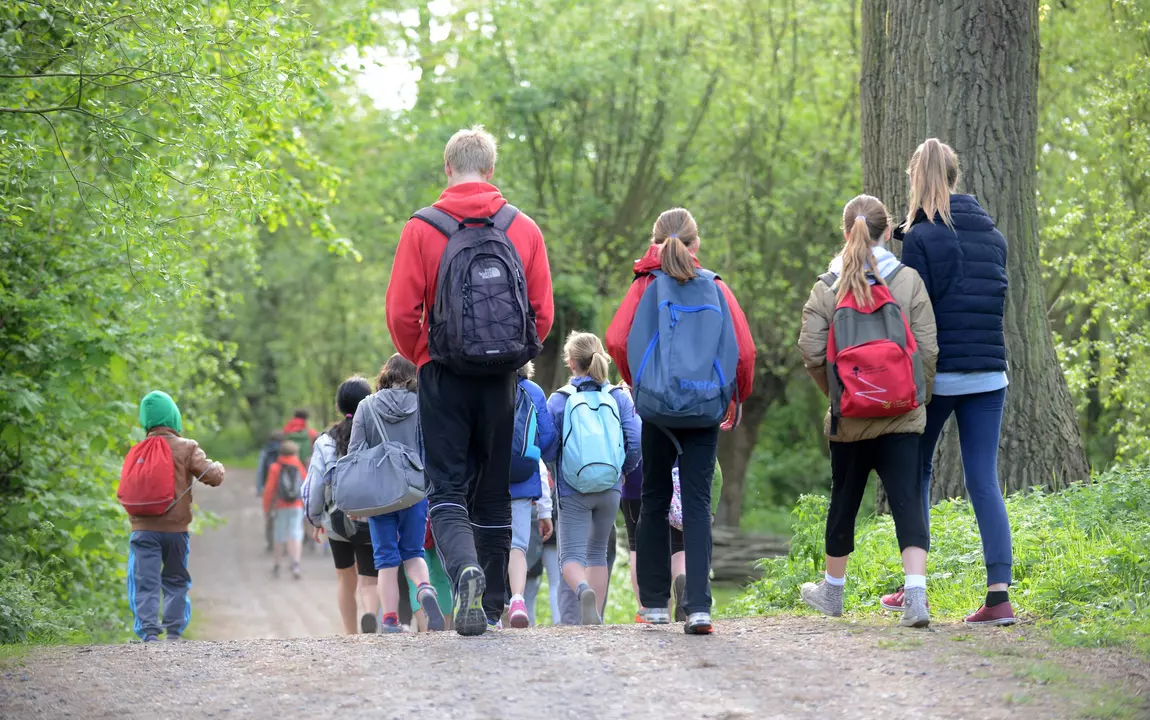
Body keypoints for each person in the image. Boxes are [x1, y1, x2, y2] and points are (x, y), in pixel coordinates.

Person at [385, 125, 554, 636]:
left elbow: (401, 311)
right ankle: (495, 604)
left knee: (447, 488)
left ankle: (464, 574)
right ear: (491, 169)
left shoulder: (422, 228)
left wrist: (423, 354)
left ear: (447, 168)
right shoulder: (522, 227)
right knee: (495, 491)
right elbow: (542, 313)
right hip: (502, 379)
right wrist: (512, 357)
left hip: (442, 374)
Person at [606, 207, 755, 635]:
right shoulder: (715, 286)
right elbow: (745, 351)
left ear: (654, 242)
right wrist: (735, 396)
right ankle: (699, 608)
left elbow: (616, 340)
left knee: (653, 496)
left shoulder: (645, 285)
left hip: (657, 409)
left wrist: (641, 382)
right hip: (705, 405)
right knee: (697, 503)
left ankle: (655, 604)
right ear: (696, 243)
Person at [797, 193, 938, 628]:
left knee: (844, 499)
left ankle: (832, 593)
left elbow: (811, 352)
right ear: (887, 230)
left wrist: (840, 394)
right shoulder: (908, 280)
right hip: (901, 416)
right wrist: (914, 395)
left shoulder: (827, 286)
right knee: (907, 501)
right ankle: (916, 599)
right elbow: (928, 348)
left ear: (846, 233)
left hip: (850, 420)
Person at [894, 138, 1016, 626]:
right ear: (954, 177)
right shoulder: (995, 237)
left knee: (915, 472)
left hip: (939, 375)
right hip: (989, 373)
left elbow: (913, 313)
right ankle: (999, 596)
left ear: (917, 179)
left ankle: (914, 587)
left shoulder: (921, 238)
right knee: (984, 480)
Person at [547, 332, 641, 625]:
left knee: (570, 558)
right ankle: (595, 617)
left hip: (572, 487)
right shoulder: (618, 397)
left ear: (571, 362)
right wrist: (623, 471)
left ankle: (582, 589)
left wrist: (557, 468)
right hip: (610, 486)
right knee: (598, 552)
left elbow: (548, 444)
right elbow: (636, 440)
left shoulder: (560, 399)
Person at [350, 354, 446, 633]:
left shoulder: (366, 406)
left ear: (385, 374)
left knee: (386, 561)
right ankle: (424, 588)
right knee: (414, 553)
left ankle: (390, 620)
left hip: (379, 495)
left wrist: (356, 499)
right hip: (415, 490)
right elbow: (434, 448)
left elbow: (355, 453)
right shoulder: (424, 404)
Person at [124, 391, 225, 642]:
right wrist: (218, 468)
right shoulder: (187, 447)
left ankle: (148, 633)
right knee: (176, 579)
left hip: (142, 529)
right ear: (174, 418)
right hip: (176, 532)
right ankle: (174, 632)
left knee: (144, 581)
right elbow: (212, 476)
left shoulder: (137, 450)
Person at [305, 376, 381, 634]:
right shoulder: (377, 435)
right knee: (370, 579)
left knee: (344, 578)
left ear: (338, 406)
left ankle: (350, 633)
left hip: (338, 521)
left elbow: (315, 485)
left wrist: (316, 519)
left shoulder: (326, 441)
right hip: (371, 517)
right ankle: (370, 615)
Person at [507, 361, 558, 628]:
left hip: (486, 479)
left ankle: (492, 606)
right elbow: (548, 439)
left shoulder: (481, 385)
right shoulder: (533, 390)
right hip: (524, 477)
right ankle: (517, 599)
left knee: (488, 542)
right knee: (518, 544)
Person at [263, 440, 307, 579]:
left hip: (280, 506)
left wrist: (266, 508)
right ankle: (296, 564)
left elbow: (269, 489)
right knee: (296, 533)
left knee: (279, 534)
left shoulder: (275, 467)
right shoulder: (299, 466)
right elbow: (306, 486)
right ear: (295, 453)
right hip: (297, 505)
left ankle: (277, 564)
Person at [256, 430, 284, 553]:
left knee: (270, 515)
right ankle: (283, 543)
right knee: (282, 516)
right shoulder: (285, 451)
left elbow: (260, 471)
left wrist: (259, 488)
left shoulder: (266, 451)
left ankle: (270, 542)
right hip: (282, 489)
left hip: (269, 487)